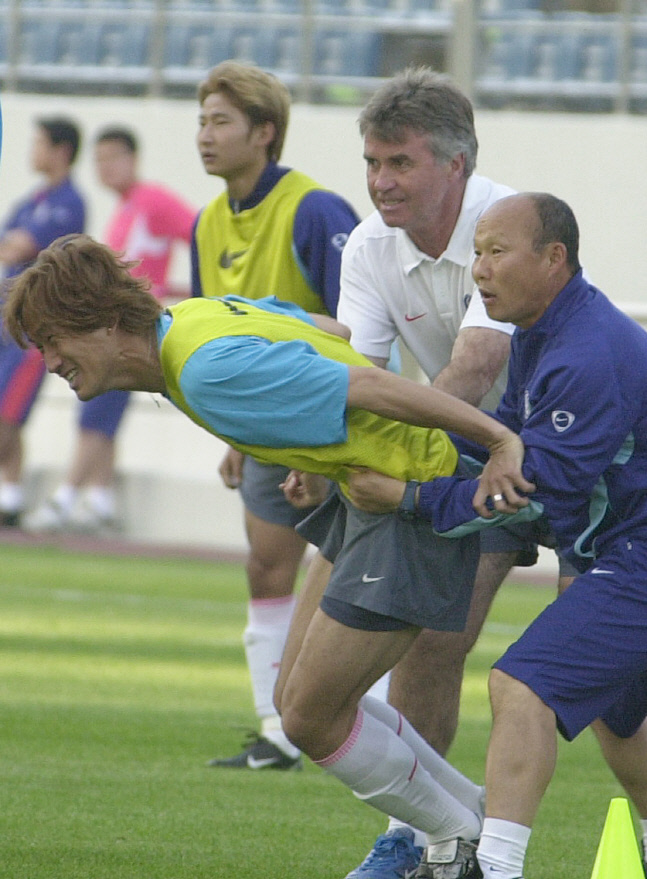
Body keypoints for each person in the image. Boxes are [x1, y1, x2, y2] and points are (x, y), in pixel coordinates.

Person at [3, 232, 532, 876]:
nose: (49, 360)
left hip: (409, 494)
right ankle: (466, 818)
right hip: (365, 494)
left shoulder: (203, 368)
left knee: (310, 718)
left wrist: (499, 440)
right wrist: (300, 437)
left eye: (54, 339)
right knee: (295, 701)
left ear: (107, 323)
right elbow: (327, 331)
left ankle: (459, 839)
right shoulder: (191, 319)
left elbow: (368, 383)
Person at [286, 67, 577, 879]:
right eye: (372, 162)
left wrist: (387, 459)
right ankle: (419, 839)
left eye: (400, 162)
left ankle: (460, 839)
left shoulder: (507, 222)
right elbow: (358, 372)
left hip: (569, 457)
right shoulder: (369, 247)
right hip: (471, 459)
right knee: (430, 644)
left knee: (613, 687)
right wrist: (322, 455)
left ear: (455, 164)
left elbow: (476, 365)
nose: (380, 181)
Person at [346, 192, 647, 879]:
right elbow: (502, 440)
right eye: (476, 253)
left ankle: (496, 867)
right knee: (621, 716)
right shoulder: (543, 331)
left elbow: (529, 488)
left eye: (496, 252)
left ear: (553, 258)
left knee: (522, 683)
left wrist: (407, 495)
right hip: (616, 546)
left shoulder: (586, 354)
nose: (479, 270)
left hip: (634, 551)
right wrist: (395, 449)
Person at [191, 60, 361, 770]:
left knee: (350, 576)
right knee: (266, 567)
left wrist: (323, 435)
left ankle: (348, 720)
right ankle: (277, 729)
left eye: (220, 121)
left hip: (334, 422)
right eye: (202, 121)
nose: (205, 135)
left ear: (264, 132)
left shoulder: (314, 210)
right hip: (264, 428)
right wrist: (235, 431)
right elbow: (208, 331)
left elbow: (360, 326)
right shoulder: (206, 222)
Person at [25, 125, 197, 534]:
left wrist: (199, 294)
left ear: (131, 159)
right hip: (116, 325)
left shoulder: (153, 200)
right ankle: (100, 498)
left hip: (133, 328)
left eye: (111, 158)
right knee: (104, 407)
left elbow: (198, 232)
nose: (104, 168)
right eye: (98, 160)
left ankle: (65, 496)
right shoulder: (126, 208)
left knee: (95, 410)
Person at [0, 116, 86, 527]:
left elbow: (21, 246)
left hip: (34, 329)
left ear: (61, 151)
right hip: (7, 324)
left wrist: (14, 247)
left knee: (9, 412)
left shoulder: (70, 202)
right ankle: (11, 495)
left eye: (40, 143)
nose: (32, 150)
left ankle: (10, 496)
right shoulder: (31, 201)